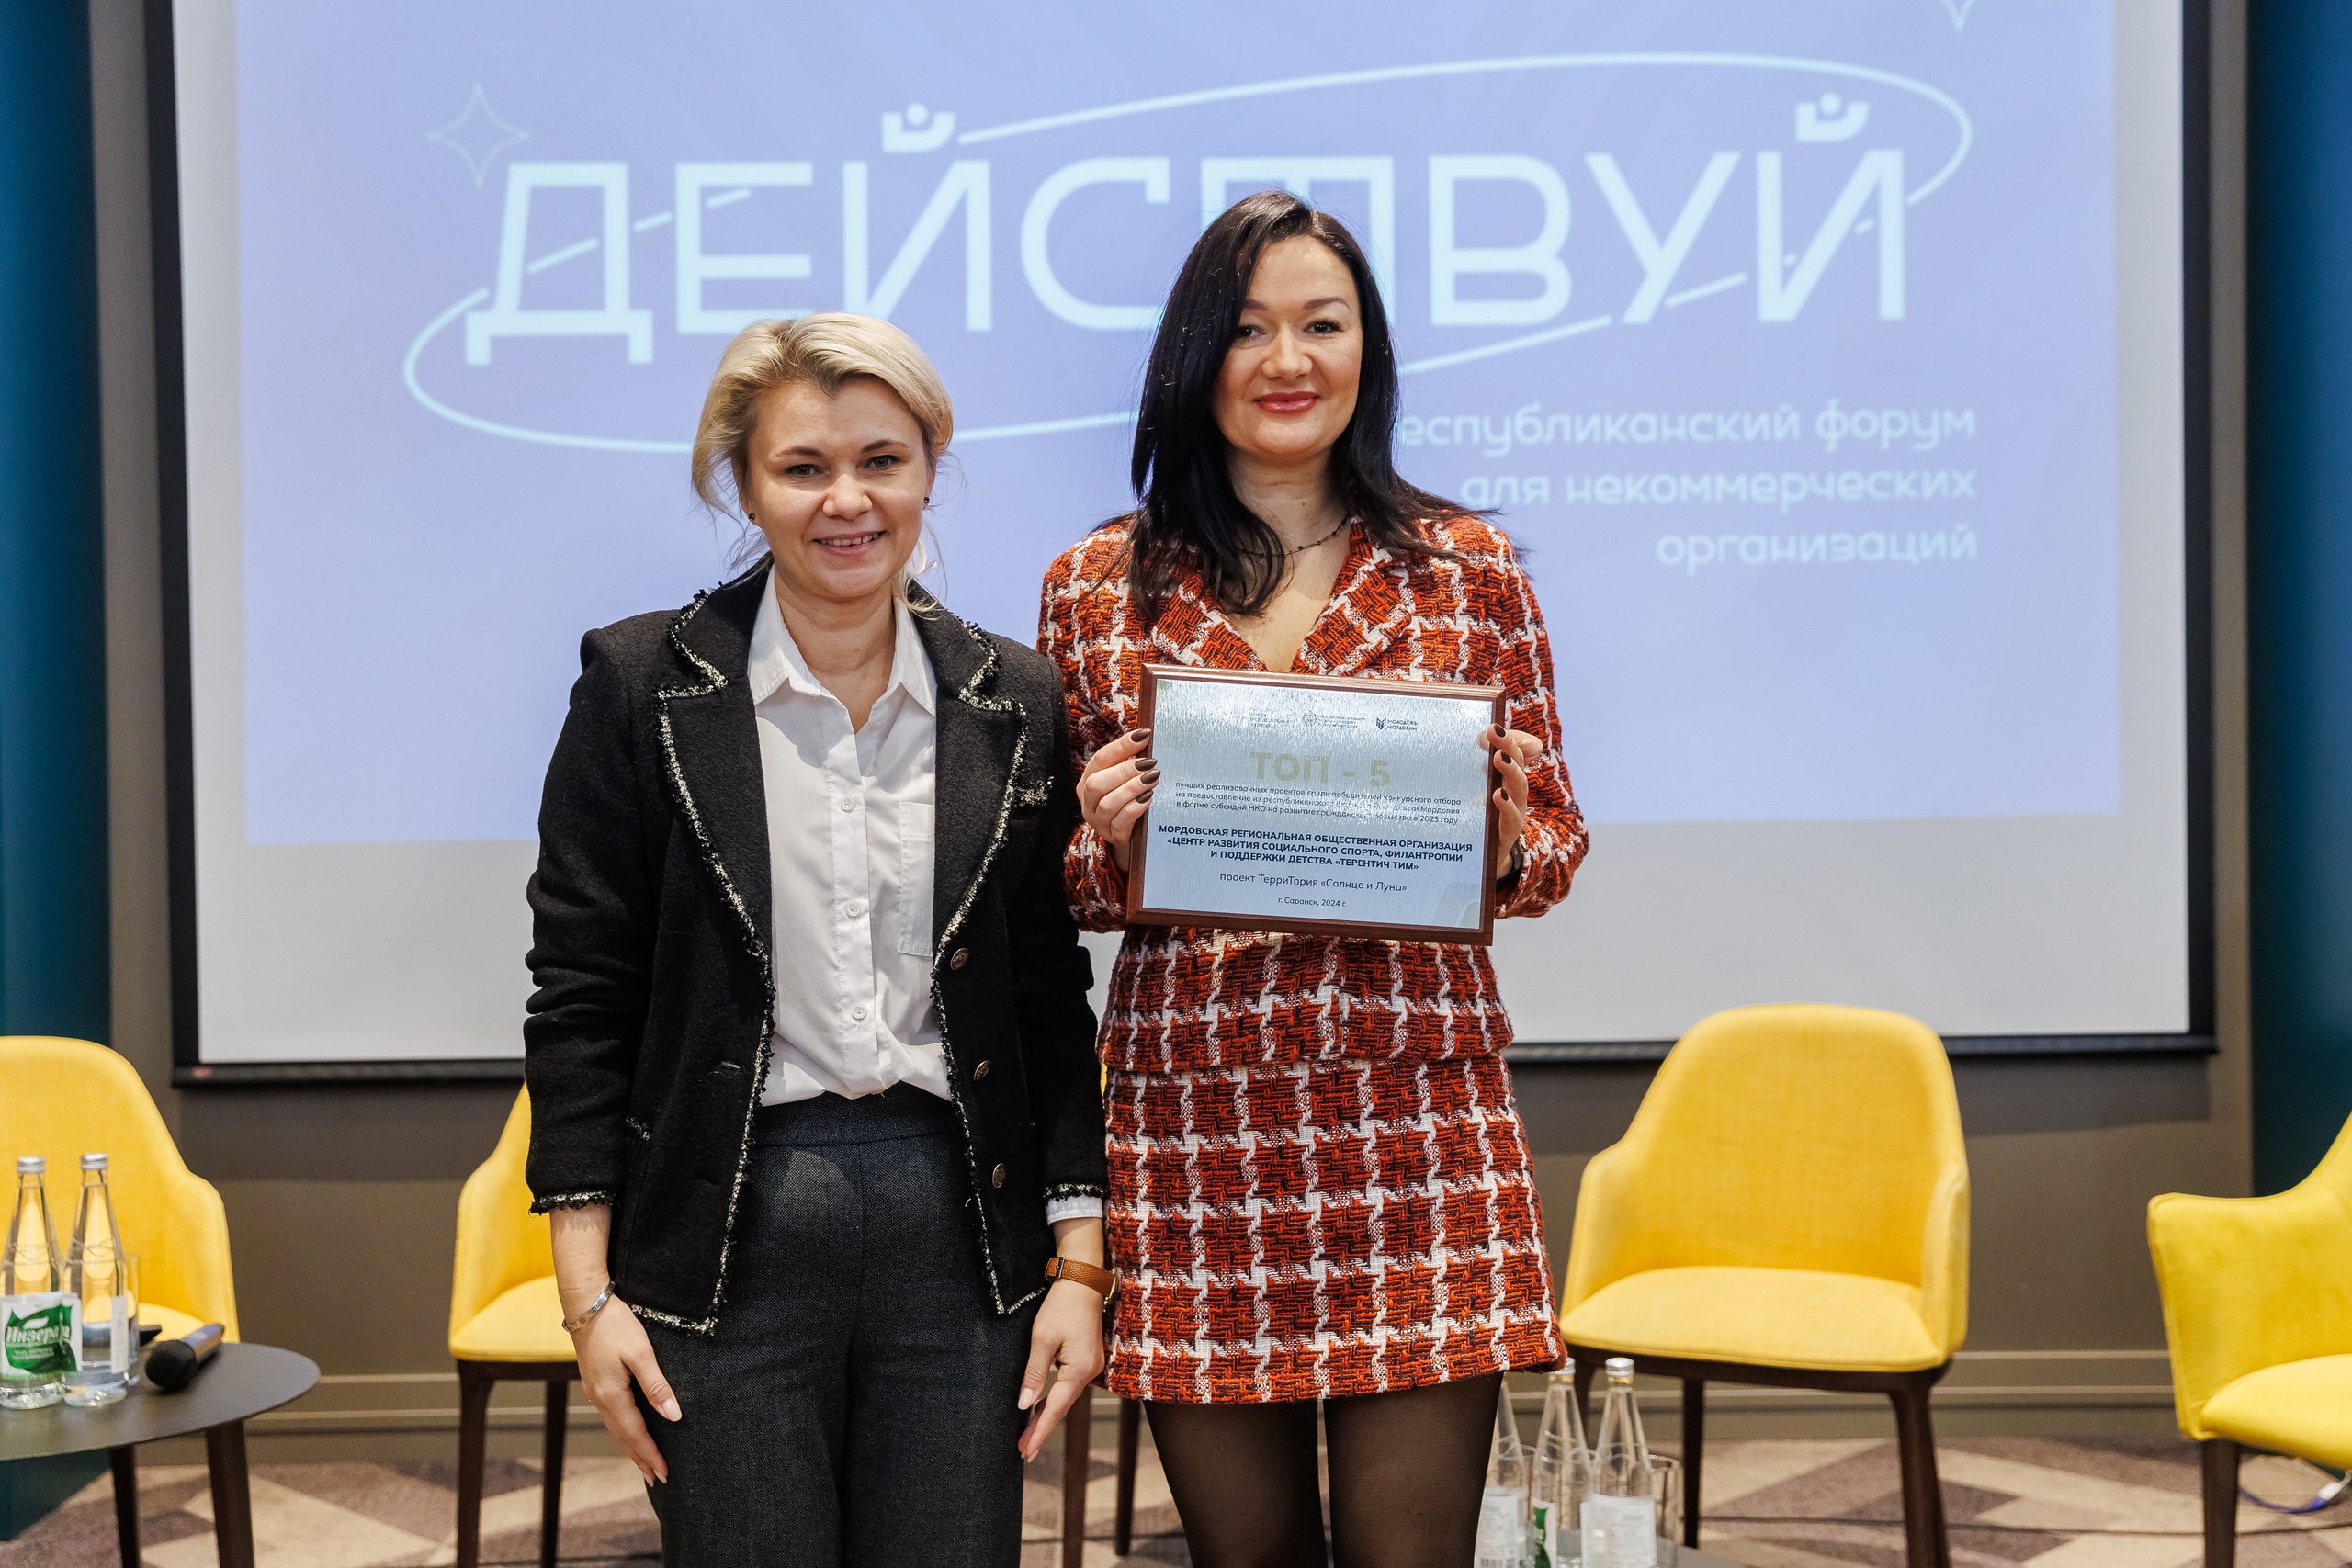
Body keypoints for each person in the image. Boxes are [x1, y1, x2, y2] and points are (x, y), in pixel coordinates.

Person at [1036, 191, 1589, 1566]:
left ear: (1366, 351)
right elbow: (1065, 891)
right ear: (1192, 357)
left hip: (1417, 1116)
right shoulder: (1096, 583)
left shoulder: (1468, 571)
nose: (1287, 361)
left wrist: (1502, 837)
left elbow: (1555, 848)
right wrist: (1103, 839)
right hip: (1197, 1120)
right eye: (1247, 329)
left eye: (1321, 325)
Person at [523, 313, 1112, 1568]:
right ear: (743, 487)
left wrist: (1081, 1264)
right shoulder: (640, 686)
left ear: (930, 469)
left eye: (882, 460)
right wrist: (587, 1297)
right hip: (724, 1219)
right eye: (803, 467)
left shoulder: (1015, 698)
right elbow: (580, 997)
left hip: (961, 1222)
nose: (848, 499)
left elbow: (1047, 998)